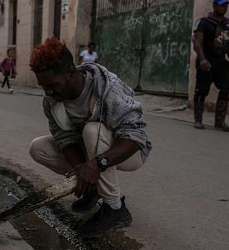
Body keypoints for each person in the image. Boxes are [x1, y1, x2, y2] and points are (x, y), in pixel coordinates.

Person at [28, 37, 152, 239]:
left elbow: (135, 137)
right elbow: (64, 138)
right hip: (91, 153)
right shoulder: (51, 101)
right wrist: (81, 171)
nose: (48, 92)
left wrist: (96, 165)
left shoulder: (107, 88)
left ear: (70, 72)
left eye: (53, 85)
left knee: (92, 130)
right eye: (43, 87)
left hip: (129, 153)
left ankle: (115, 208)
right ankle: (92, 188)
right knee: (38, 147)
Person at [192, 0, 229, 131]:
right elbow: (197, 42)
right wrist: (202, 60)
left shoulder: (227, 23)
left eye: (225, 5)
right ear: (214, 5)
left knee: (228, 87)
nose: (224, 8)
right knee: (201, 90)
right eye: (221, 5)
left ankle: (220, 121)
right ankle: (198, 120)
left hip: (221, 62)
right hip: (206, 60)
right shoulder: (204, 22)